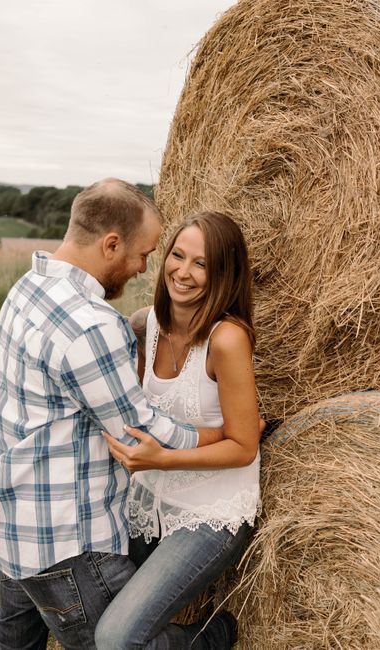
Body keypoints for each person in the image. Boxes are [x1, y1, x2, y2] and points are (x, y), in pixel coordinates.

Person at [0, 180, 229, 650]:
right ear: (110, 243)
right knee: (116, 644)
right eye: (142, 254)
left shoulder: (29, 285)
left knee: (11, 639)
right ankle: (215, 637)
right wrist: (220, 435)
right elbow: (141, 432)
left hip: (10, 517)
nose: (144, 269)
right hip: (65, 542)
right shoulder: (93, 325)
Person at [96, 211, 261, 649]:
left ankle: (211, 638)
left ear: (223, 273)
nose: (182, 272)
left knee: (113, 639)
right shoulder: (147, 325)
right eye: (177, 255)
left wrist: (164, 459)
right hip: (148, 500)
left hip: (211, 511)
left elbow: (245, 446)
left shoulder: (227, 340)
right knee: (86, 612)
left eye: (201, 264)